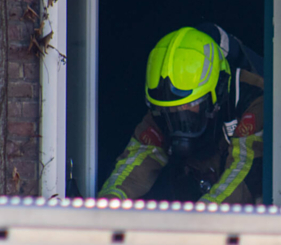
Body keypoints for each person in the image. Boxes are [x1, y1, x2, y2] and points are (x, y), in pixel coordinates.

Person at [98, 24, 264, 204]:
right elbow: (138, 158)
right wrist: (108, 202)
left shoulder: (253, 98)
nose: (179, 117)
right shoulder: (162, 111)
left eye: (189, 105)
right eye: (171, 110)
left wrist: (203, 213)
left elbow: (244, 169)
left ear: (217, 90)